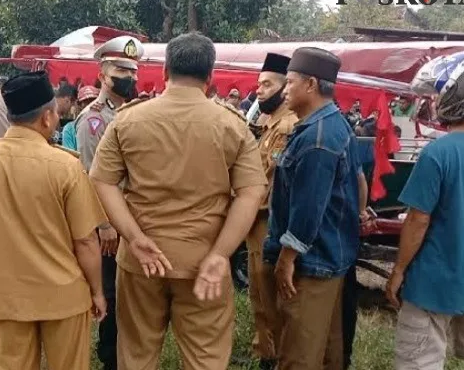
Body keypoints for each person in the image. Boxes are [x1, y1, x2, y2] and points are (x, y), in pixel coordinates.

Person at [90, 32, 267, 370]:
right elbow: (251, 193)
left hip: (141, 262)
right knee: (205, 358)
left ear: (165, 71)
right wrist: (220, 254)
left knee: (137, 354)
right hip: (204, 262)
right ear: (210, 78)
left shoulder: (128, 120)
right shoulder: (232, 125)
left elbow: (101, 180)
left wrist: (135, 238)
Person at [0, 71, 108, 370]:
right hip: (64, 294)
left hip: (7, 295)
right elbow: (85, 240)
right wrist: (98, 291)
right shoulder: (65, 166)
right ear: (47, 118)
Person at [261, 47, 367, 370]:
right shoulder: (333, 124)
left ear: (311, 84)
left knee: (299, 356)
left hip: (311, 264)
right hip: (330, 260)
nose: (285, 89)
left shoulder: (317, 138)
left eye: (290, 82)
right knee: (327, 353)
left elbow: (308, 209)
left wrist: (286, 258)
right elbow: (359, 183)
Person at [387, 51, 464, 370]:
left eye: (439, 95)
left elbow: (418, 219)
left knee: (420, 361)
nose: (433, 102)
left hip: (433, 281)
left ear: (456, 97)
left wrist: (398, 270)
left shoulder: (437, 153)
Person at [75, 35, 145, 370]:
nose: (131, 77)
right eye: (122, 71)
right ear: (103, 75)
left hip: (128, 217)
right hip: (108, 224)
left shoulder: (130, 113)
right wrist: (103, 224)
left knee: (127, 293)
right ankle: (110, 359)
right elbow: (91, 177)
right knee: (112, 295)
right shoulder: (94, 119)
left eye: (133, 71)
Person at [244, 53, 296, 370]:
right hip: (255, 223)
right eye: (258, 84)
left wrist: (242, 203)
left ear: (284, 88)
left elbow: (274, 184)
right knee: (258, 294)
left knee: (270, 296)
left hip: (267, 222)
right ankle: (265, 349)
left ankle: (276, 357)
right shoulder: (268, 122)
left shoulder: (287, 126)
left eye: (267, 84)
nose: (259, 90)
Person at [62, 86, 99, 151]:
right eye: (85, 102)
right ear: (79, 105)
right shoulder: (69, 129)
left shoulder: (105, 125)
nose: (90, 105)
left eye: (93, 101)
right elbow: (70, 156)